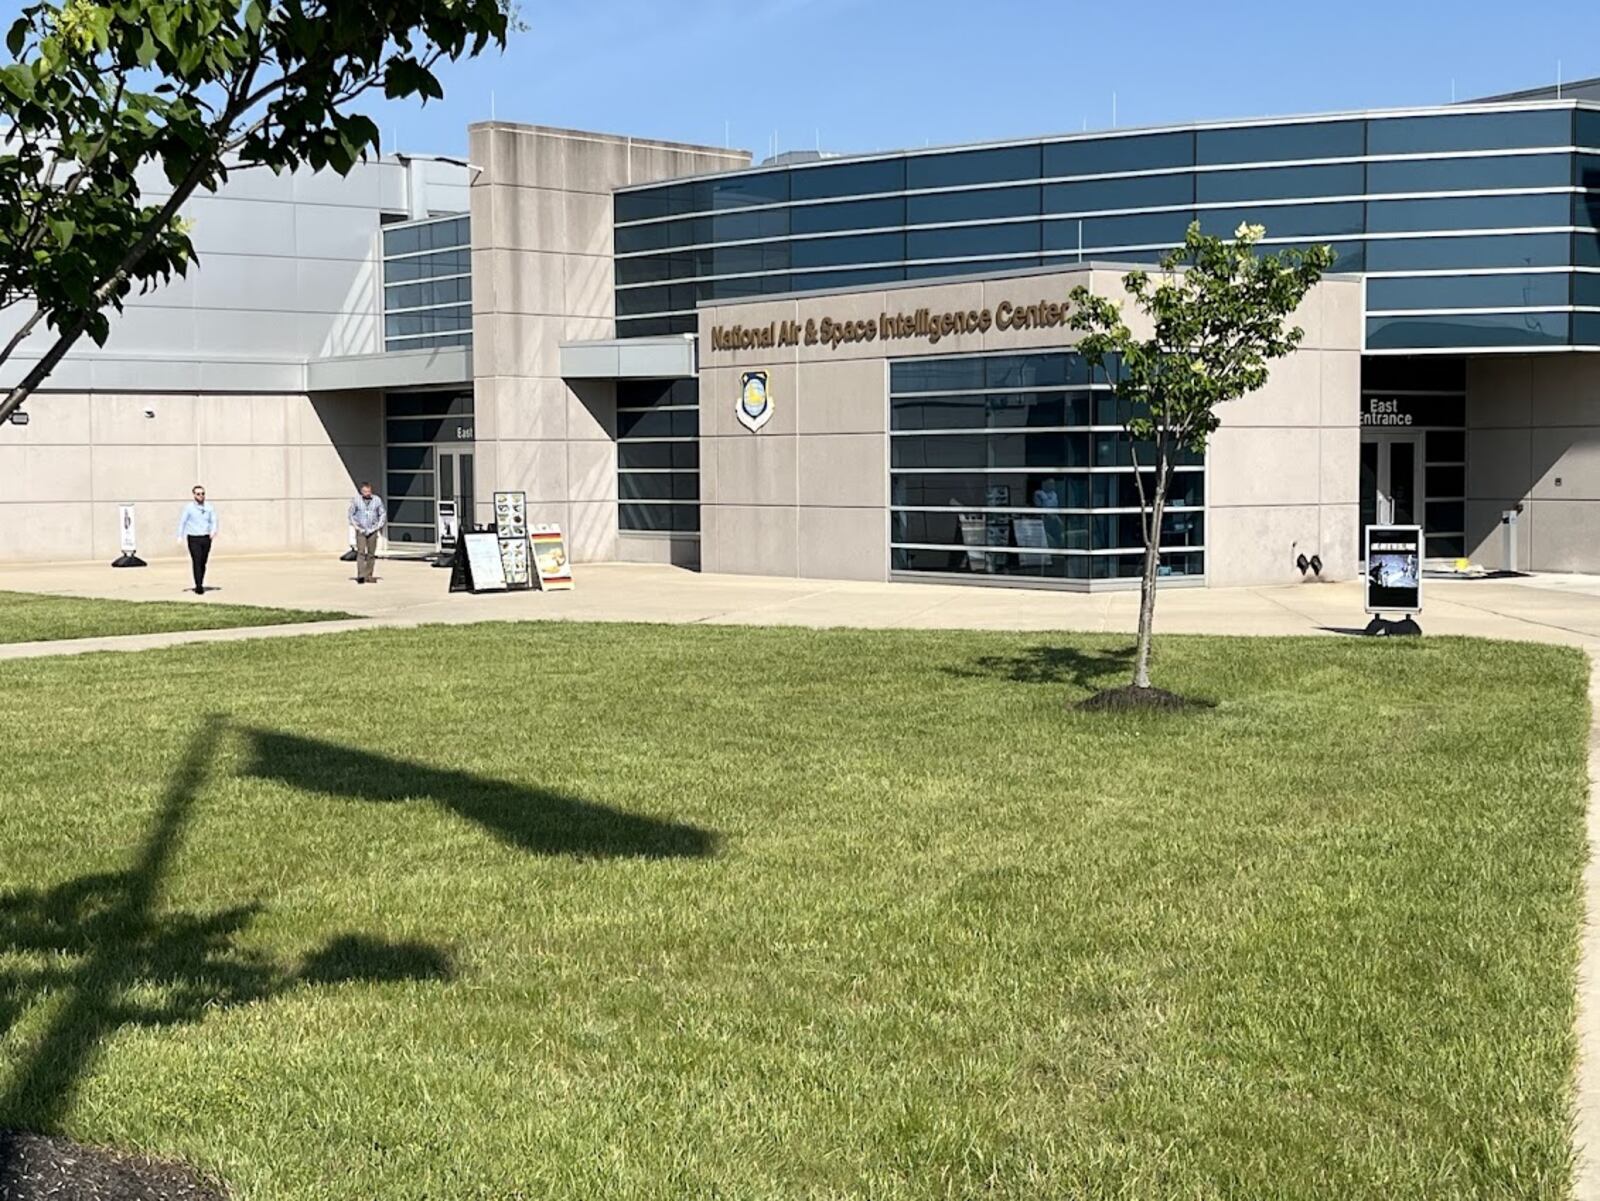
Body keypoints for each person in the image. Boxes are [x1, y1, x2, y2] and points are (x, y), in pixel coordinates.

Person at [176, 484, 218, 594]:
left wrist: (213, 531)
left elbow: (213, 520)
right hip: (193, 538)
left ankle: (201, 580)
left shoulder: (209, 507)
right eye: (198, 494)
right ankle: (198, 585)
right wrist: (180, 535)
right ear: (194, 495)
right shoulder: (189, 508)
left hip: (205, 537)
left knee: (203, 562)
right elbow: (183, 522)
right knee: (197, 560)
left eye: (203, 494)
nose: (201, 496)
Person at [347, 481, 386, 584]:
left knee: (371, 554)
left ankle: (368, 575)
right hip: (361, 530)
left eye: (368, 491)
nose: (367, 493)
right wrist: (356, 526)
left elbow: (382, 513)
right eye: (365, 491)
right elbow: (351, 514)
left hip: (372, 530)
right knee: (361, 552)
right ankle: (361, 575)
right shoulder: (356, 500)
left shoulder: (377, 500)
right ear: (361, 491)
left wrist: (378, 526)